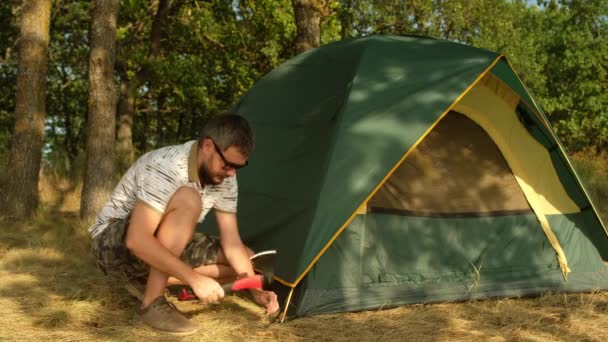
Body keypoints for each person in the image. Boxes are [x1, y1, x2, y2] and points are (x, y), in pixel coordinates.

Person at [88, 113, 279, 335]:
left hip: (161, 241)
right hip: (113, 245)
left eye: (239, 167)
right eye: (227, 164)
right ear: (208, 145)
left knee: (246, 257)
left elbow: (232, 242)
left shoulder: (226, 176)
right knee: (189, 198)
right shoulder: (167, 166)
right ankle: (152, 302)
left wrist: (255, 289)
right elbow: (136, 239)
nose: (232, 173)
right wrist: (194, 278)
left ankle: (147, 281)